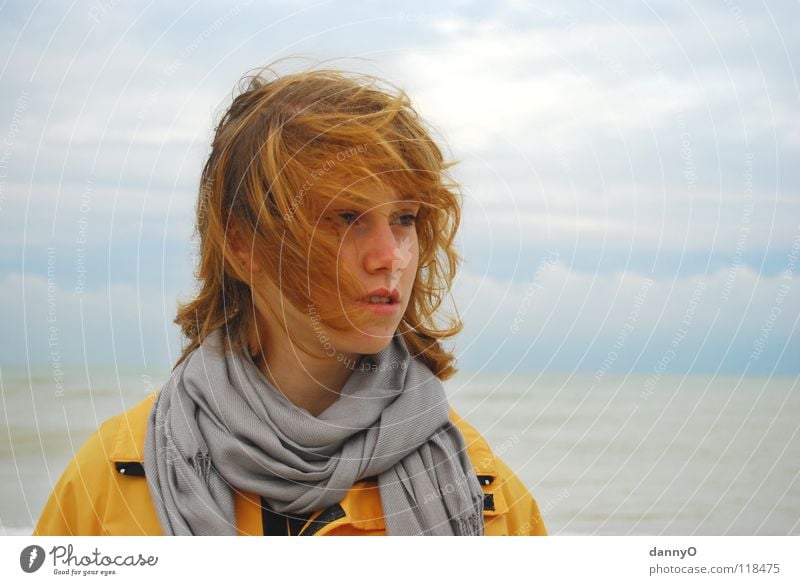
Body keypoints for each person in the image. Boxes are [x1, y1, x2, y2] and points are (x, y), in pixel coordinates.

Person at [34, 64, 548, 536]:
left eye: (404, 219)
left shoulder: (481, 490)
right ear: (242, 245)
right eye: (347, 218)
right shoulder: (114, 481)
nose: (390, 256)